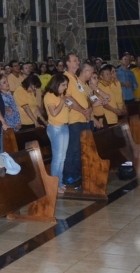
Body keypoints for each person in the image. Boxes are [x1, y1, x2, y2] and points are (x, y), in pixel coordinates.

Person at [62, 56, 94, 189]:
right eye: (75, 60)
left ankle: (80, 173)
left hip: (84, 118)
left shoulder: (76, 79)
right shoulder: (65, 78)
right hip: (74, 119)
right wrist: (82, 110)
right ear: (67, 63)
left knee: (82, 149)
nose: (78, 62)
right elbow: (67, 98)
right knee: (73, 148)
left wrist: (89, 109)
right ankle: (69, 175)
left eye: (77, 60)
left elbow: (87, 96)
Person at [43, 74, 70, 194]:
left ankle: (60, 181)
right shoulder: (49, 95)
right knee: (57, 157)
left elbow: (63, 111)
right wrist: (63, 101)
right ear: (56, 84)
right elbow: (53, 113)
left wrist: (66, 105)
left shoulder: (61, 95)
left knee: (62, 158)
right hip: (55, 128)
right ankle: (54, 184)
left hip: (64, 126)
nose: (65, 87)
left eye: (66, 85)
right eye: (63, 85)